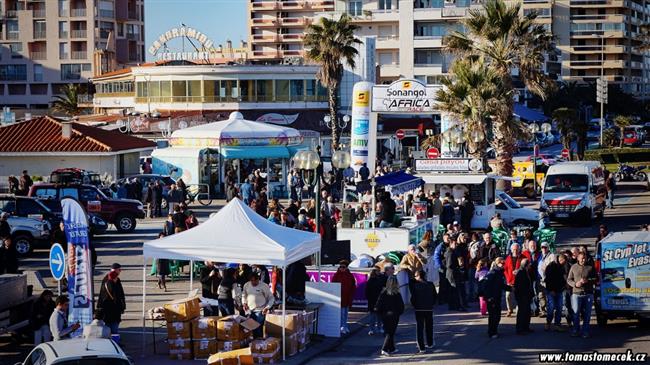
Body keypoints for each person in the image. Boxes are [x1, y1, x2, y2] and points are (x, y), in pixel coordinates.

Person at [567, 252, 596, 338]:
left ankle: (585, 331)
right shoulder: (573, 267)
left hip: (588, 294)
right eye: (582, 258)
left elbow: (595, 278)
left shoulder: (590, 267)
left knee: (587, 314)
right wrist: (575, 284)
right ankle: (576, 330)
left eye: (584, 258)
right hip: (576, 294)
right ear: (578, 258)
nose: (583, 260)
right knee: (576, 313)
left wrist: (588, 280)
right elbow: (569, 279)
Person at [375, 276, 404, 356]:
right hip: (394, 315)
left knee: (388, 331)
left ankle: (392, 348)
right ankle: (384, 348)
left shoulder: (383, 293)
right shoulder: (397, 294)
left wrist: (381, 313)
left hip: (385, 315)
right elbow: (401, 306)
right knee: (390, 333)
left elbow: (378, 305)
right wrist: (398, 313)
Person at [410, 270, 436, 353]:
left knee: (420, 328)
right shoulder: (430, 284)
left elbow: (413, 298)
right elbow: (435, 296)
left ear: (418, 276)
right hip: (428, 308)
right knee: (429, 326)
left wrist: (414, 305)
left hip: (419, 309)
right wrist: (431, 304)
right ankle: (430, 342)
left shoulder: (415, 286)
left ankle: (421, 347)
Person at [242, 272, 274, 338]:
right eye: (251, 281)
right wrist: (244, 303)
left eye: (255, 280)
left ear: (258, 279)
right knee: (251, 330)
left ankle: (259, 345)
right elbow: (244, 295)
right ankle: (254, 344)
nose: (253, 282)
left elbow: (271, 298)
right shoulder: (246, 285)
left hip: (260, 311)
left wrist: (267, 307)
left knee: (258, 329)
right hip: (250, 311)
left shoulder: (264, 286)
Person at [97, 263, 126, 335]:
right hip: (112, 309)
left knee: (110, 326)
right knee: (112, 327)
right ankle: (114, 341)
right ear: (116, 270)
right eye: (119, 270)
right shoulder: (110, 281)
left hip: (109, 309)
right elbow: (117, 295)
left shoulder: (108, 279)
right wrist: (121, 306)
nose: (120, 271)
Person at [483, 257, 507, 338]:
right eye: (502, 263)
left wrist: (510, 288)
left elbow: (501, 285)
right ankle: (492, 332)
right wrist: (489, 297)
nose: (504, 265)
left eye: (504, 263)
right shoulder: (493, 273)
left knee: (497, 315)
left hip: (497, 297)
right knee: (493, 316)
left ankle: (494, 330)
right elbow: (486, 286)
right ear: (498, 263)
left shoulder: (500, 273)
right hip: (492, 298)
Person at [332, 260, 356, 334]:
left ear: (346, 267)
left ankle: (345, 326)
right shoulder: (336, 275)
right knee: (341, 314)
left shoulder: (350, 275)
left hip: (347, 297)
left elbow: (353, 286)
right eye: (340, 267)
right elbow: (333, 285)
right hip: (340, 297)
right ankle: (341, 327)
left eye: (343, 267)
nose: (342, 268)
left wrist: (351, 294)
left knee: (346, 313)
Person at [544, 254, 566, 332]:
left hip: (559, 290)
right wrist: (551, 290)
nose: (564, 263)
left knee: (559, 308)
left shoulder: (561, 267)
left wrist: (563, 286)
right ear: (561, 260)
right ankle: (548, 322)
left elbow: (563, 278)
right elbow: (548, 279)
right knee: (551, 307)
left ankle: (557, 324)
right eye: (564, 261)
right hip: (551, 291)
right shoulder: (551, 266)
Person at [514, 258, 534, 335]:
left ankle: (526, 327)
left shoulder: (526, 271)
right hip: (522, 296)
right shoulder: (521, 272)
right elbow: (519, 286)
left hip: (527, 295)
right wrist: (521, 296)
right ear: (526, 265)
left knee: (527, 312)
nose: (530, 265)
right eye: (529, 264)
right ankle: (520, 329)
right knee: (521, 313)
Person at [503, 243, 523, 317]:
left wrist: (519, 271)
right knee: (508, 296)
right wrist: (508, 279)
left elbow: (525, 267)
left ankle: (518, 310)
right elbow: (505, 270)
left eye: (517, 249)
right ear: (511, 250)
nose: (515, 250)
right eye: (514, 249)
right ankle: (509, 309)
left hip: (519, 281)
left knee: (518, 297)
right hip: (510, 281)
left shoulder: (522, 257)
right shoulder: (508, 258)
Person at [365, 266, 384, 336]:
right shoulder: (371, 281)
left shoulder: (380, 279)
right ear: (375, 272)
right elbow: (367, 292)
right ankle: (373, 329)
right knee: (373, 316)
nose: (379, 272)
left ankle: (376, 329)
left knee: (378, 316)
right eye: (378, 271)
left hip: (377, 300)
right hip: (373, 301)